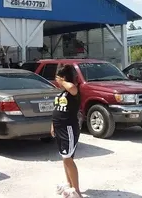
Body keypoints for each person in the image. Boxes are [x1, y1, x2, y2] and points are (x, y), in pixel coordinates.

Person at [51, 64, 82, 198]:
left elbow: (73, 88)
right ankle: (69, 185)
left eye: (58, 78)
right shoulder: (62, 93)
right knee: (65, 158)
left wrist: (63, 81)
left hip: (68, 128)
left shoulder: (73, 91)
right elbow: (58, 108)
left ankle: (77, 191)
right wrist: (53, 125)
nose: (56, 81)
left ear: (64, 78)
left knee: (68, 158)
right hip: (59, 127)